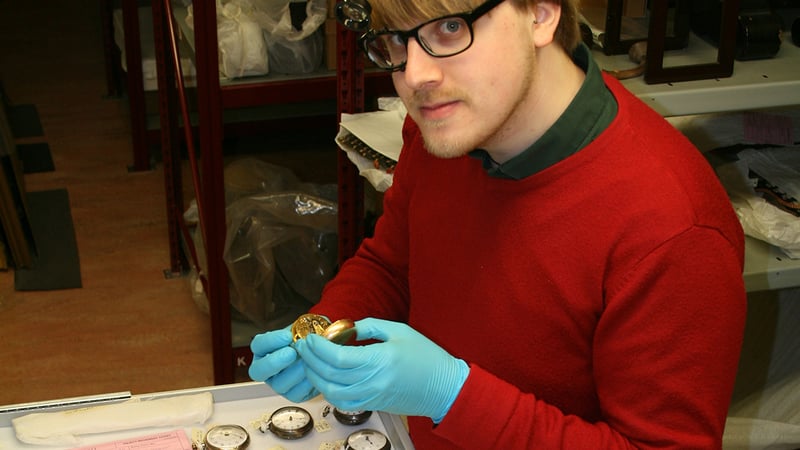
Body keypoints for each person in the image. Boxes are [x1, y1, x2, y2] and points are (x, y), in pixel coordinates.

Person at [249, 0, 748, 448]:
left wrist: (453, 397)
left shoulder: (675, 230)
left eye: (450, 27)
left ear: (541, 14)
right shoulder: (446, 125)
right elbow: (392, 265)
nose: (415, 75)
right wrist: (326, 329)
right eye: (397, 40)